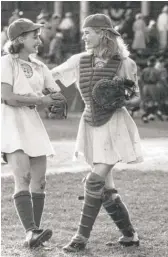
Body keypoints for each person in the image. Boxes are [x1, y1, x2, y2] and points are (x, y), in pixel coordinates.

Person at [51, 13, 143, 252]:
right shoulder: (79, 60)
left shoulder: (125, 63)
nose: (84, 37)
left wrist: (119, 99)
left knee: (94, 180)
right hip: (90, 123)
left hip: (115, 125)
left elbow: (136, 98)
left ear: (103, 34)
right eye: (83, 32)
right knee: (105, 188)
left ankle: (80, 238)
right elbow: (51, 76)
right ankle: (130, 236)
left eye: (88, 32)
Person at [1, 18, 64, 249]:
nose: (39, 40)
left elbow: (55, 94)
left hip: (32, 123)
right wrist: (40, 99)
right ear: (19, 39)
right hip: (10, 122)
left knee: (40, 182)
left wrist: (58, 102)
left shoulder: (40, 66)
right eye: (34, 36)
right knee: (23, 178)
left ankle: (35, 233)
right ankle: (30, 231)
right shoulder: (6, 62)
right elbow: (7, 96)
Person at [140, 56, 163, 123]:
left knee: (146, 101)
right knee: (154, 102)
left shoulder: (144, 70)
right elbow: (159, 80)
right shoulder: (156, 71)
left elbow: (141, 79)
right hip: (153, 86)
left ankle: (148, 115)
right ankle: (149, 115)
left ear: (149, 62)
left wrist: (143, 85)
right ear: (154, 62)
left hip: (145, 86)